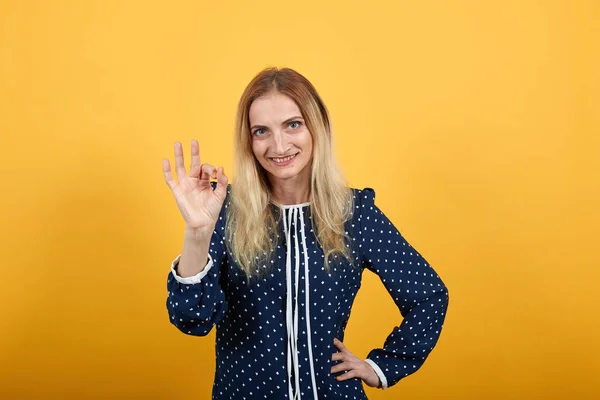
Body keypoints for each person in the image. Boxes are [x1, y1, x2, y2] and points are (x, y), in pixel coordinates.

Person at [162, 67, 449, 400]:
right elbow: (191, 319)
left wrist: (381, 367)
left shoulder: (353, 213)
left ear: (317, 127)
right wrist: (197, 232)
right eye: (261, 131)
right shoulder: (225, 209)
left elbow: (429, 296)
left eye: (292, 125)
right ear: (249, 141)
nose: (279, 145)